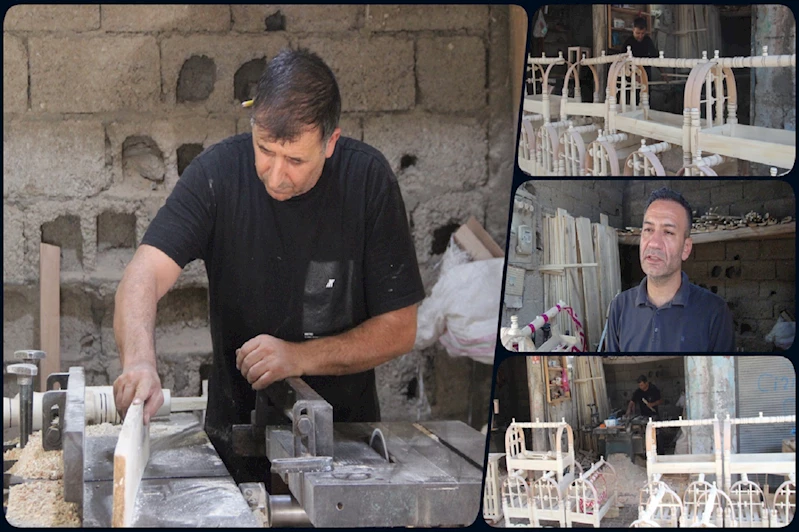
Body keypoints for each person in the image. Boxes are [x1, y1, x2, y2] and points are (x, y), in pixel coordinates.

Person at [111, 48, 425, 483]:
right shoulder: (217, 174)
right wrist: (140, 362)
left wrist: (297, 357)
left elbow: (400, 328)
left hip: (346, 447)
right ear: (253, 127)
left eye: (295, 160)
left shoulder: (368, 181)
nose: (276, 175)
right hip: (236, 438)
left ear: (331, 143)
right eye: (265, 150)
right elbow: (143, 274)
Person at [606, 187, 735, 352]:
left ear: (686, 248)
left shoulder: (715, 312)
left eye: (668, 232)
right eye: (648, 230)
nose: (654, 243)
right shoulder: (619, 307)